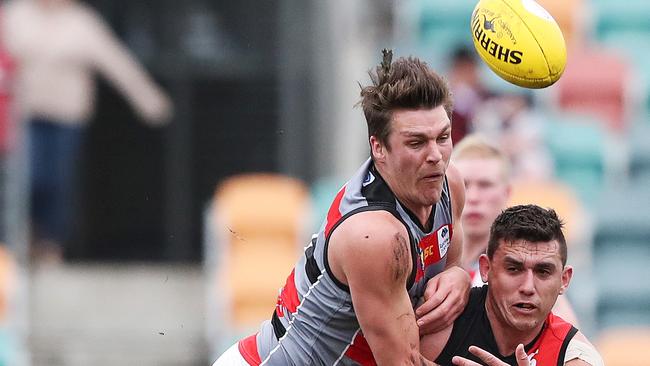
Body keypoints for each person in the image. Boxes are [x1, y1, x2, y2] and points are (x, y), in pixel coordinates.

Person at [213, 50, 470, 365]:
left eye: (443, 138)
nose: (436, 156)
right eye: (416, 143)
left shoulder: (450, 184)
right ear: (379, 149)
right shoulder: (374, 236)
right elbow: (404, 362)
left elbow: (449, 271)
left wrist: (459, 276)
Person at [1, 0, 172, 261]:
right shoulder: (16, 15)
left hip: (66, 117)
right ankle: (25, 235)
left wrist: (149, 99)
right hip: (27, 115)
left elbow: (116, 62)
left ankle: (50, 243)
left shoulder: (81, 22)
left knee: (58, 181)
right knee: (30, 177)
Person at [421, 204, 603, 366]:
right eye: (514, 269)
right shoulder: (442, 321)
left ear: (564, 280)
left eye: (543, 272)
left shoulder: (575, 358)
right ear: (486, 269)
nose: (528, 287)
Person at [452, 134, 579, 325]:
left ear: (507, 193)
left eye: (485, 185)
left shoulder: (528, 264)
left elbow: (573, 340)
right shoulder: (431, 259)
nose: (473, 196)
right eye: (464, 185)